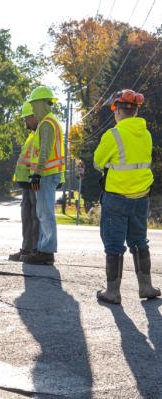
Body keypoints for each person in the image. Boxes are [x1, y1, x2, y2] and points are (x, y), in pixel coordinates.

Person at [94, 89, 160, 304]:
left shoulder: (113, 135)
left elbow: (97, 162)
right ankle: (146, 287)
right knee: (140, 241)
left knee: (114, 245)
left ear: (117, 111)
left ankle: (112, 292)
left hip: (117, 198)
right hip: (141, 198)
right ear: (136, 111)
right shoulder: (146, 134)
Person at [20, 86, 64, 265]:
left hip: (45, 175)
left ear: (39, 104)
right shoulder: (51, 121)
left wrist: (36, 174)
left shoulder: (47, 123)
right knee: (43, 212)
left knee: (45, 214)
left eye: (33, 104)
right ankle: (43, 248)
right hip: (48, 174)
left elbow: (44, 151)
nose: (33, 108)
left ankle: (46, 251)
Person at [9, 101, 40, 261]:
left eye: (27, 118)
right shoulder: (32, 135)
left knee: (35, 216)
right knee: (27, 216)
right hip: (27, 183)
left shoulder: (40, 133)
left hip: (34, 181)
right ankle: (26, 249)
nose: (26, 122)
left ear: (34, 116)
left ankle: (35, 250)